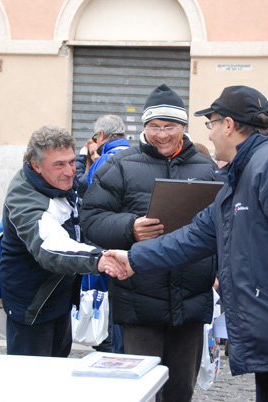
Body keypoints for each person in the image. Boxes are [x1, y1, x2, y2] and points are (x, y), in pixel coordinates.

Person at [105, 85, 268, 402]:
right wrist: (133, 258)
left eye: (212, 124)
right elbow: (193, 237)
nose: (209, 135)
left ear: (229, 125)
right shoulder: (238, 176)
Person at [80, 84, 218, 402]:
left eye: (169, 126)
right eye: (154, 127)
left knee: (180, 391)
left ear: (183, 127)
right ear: (144, 128)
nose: (161, 134)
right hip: (138, 299)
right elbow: (91, 221)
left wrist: (220, 271)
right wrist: (130, 228)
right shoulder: (120, 166)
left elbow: (222, 226)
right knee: (140, 392)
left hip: (191, 300)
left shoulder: (207, 169)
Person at [0, 125, 122, 357]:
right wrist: (100, 259)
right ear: (36, 166)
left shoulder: (58, 183)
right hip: (33, 307)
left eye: (72, 162)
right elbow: (50, 246)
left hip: (59, 300)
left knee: (57, 377)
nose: (69, 171)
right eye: (59, 164)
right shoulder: (24, 197)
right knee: (32, 386)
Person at [82, 114, 130, 354]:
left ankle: (109, 347)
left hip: (107, 244)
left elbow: (93, 210)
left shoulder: (104, 162)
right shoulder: (137, 156)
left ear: (100, 136)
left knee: (108, 299)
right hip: (132, 244)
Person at [86, 115, 129, 187]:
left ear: (101, 135)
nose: (96, 142)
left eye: (96, 138)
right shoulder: (139, 156)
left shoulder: (103, 162)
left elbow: (93, 195)